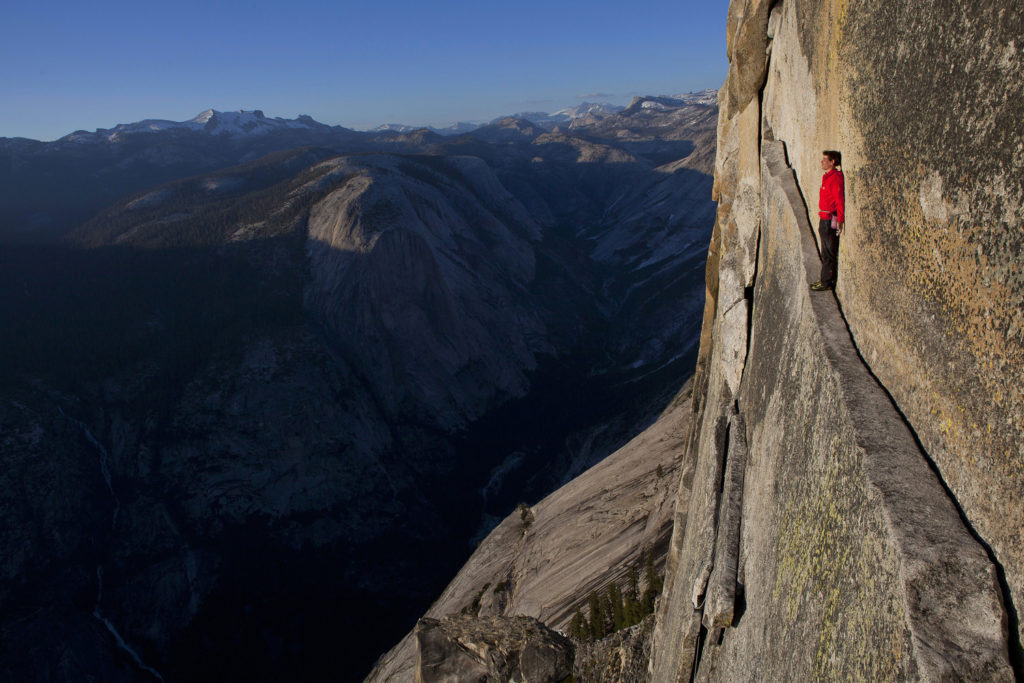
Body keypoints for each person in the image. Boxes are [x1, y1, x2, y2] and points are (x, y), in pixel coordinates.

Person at [810, 150, 845, 291]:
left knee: (829, 252)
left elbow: (839, 200)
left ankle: (826, 282)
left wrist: (840, 220)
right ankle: (824, 279)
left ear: (833, 162)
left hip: (829, 220)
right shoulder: (827, 177)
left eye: (825, 159)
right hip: (823, 218)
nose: (822, 161)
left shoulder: (835, 178)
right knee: (825, 251)